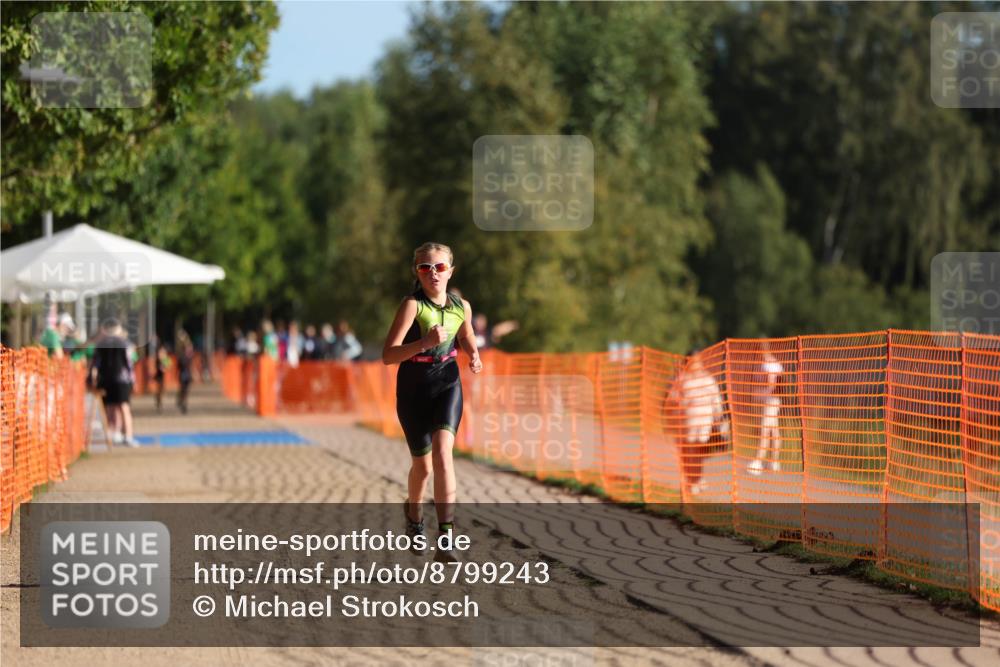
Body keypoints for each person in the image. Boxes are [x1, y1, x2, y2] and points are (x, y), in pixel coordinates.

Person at [382, 242, 483, 560]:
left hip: (447, 382)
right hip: (413, 387)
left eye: (439, 267)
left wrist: (474, 354)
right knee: (423, 467)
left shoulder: (461, 306)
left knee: (443, 454)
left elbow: (465, 334)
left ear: (450, 271)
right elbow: (388, 355)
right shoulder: (412, 305)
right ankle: (414, 515)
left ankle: (446, 536)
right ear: (417, 272)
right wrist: (424, 342)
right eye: (425, 267)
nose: (433, 273)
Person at [666, 350, 728, 496]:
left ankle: (696, 479)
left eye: (698, 361)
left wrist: (720, 419)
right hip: (687, 422)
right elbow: (672, 400)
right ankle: (693, 480)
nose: (696, 364)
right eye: (693, 361)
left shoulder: (708, 379)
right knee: (689, 453)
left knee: (698, 452)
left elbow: (716, 401)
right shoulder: (682, 379)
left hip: (705, 421)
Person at [89, 319, 138, 447]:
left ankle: (113, 432)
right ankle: (126, 435)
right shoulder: (125, 343)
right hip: (121, 380)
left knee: (110, 407)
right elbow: (129, 363)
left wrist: (93, 378)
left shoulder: (101, 344)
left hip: (106, 379)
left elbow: (95, 363)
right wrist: (133, 380)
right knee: (123, 407)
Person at [748, 345, 784, 475]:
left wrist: (760, 394)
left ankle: (758, 461)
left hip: (771, 401)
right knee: (773, 431)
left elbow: (773, 386)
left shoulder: (769, 365)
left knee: (765, 430)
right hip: (767, 401)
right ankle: (774, 462)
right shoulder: (765, 364)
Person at [175, 329, 195, 414]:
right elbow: (178, 364)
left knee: (186, 390)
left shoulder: (189, 349)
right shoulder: (180, 351)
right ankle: (181, 401)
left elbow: (191, 361)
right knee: (182, 389)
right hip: (183, 372)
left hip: (187, 372)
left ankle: (184, 403)